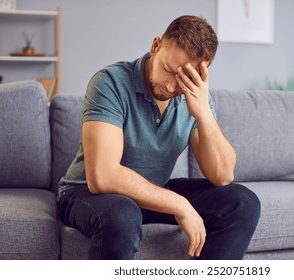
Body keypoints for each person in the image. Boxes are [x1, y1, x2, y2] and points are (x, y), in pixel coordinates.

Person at [57, 15, 260, 260]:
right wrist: (180, 204)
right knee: (122, 213)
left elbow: (223, 175)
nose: (173, 87)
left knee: (242, 203)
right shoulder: (110, 82)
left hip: (149, 193)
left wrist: (204, 113)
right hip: (86, 194)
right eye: (168, 71)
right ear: (155, 46)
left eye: (185, 78)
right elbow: (103, 176)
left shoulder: (193, 97)